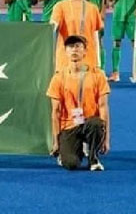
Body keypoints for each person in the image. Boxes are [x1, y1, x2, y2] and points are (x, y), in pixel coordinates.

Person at [47, 35, 110, 171]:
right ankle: (76, 149)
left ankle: (93, 159)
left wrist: (106, 139)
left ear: (85, 51)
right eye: (70, 47)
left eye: (78, 46)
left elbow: (103, 107)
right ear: (65, 51)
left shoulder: (98, 75)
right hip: (69, 125)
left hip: (89, 123)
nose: (74, 50)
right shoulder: (58, 78)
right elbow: (55, 112)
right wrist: (56, 142)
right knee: (71, 164)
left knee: (96, 124)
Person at [51, 0, 104, 71]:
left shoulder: (93, 8)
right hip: (66, 61)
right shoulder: (60, 6)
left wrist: (98, 62)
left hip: (88, 60)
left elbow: (95, 36)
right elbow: (53, 28)